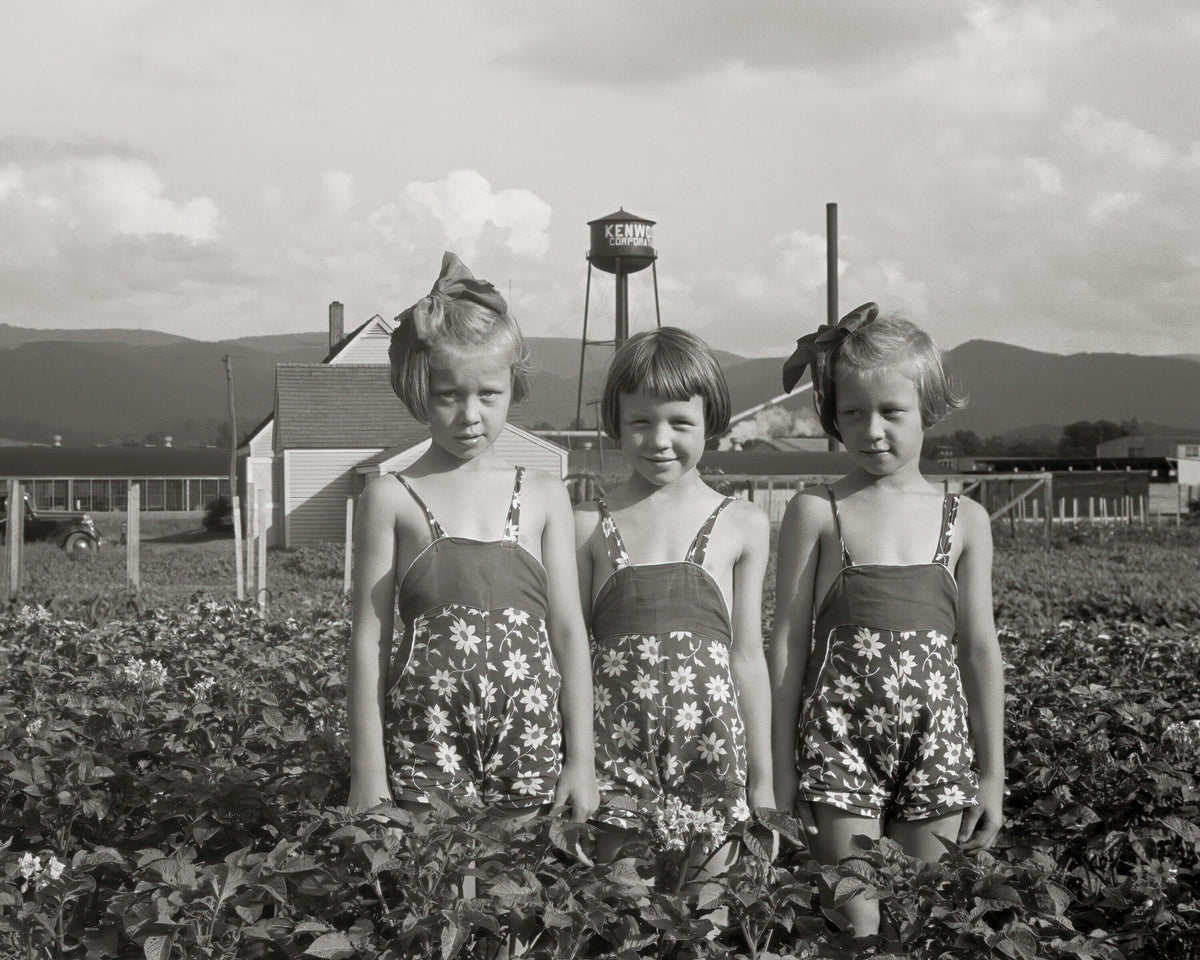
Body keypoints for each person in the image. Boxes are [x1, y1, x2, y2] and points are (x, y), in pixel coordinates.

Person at [770, 303, 1005, 938]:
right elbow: (788, 643)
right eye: (852, 413)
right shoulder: (817, 511)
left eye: (891, 412)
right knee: (857, 922)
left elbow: (980, 650)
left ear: (929, 409)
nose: (871, 430)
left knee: (917, 920)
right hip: (836, 746)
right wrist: (782, 764)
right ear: (832, 416)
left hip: (939, 746)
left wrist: (992, 771)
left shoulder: (966, 521)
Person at [347, 252, 598, 828]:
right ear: (417, 391)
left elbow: (567, 631)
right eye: (448, 395)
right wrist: (368, 772)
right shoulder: (390, 496)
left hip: (530, 752)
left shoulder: (542, 492)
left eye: (488, 394)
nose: (470, 415)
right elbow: (369, 638)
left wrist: (580, 760)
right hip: (422, 751)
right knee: (434, 907)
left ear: (514, 386)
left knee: (514, 906)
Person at [575, 327, 774, 871]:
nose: (660, 441)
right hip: (614, 757)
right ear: (615, 422)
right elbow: (567, 654)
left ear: (711, 421)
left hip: (713, 752)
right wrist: (575, 763)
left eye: (680, 422)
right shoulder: (588, 524)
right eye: (641, 422)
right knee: (623, 910)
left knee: (708, 912)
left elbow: (748, 658)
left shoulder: (743, 524)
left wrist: (764, 781)